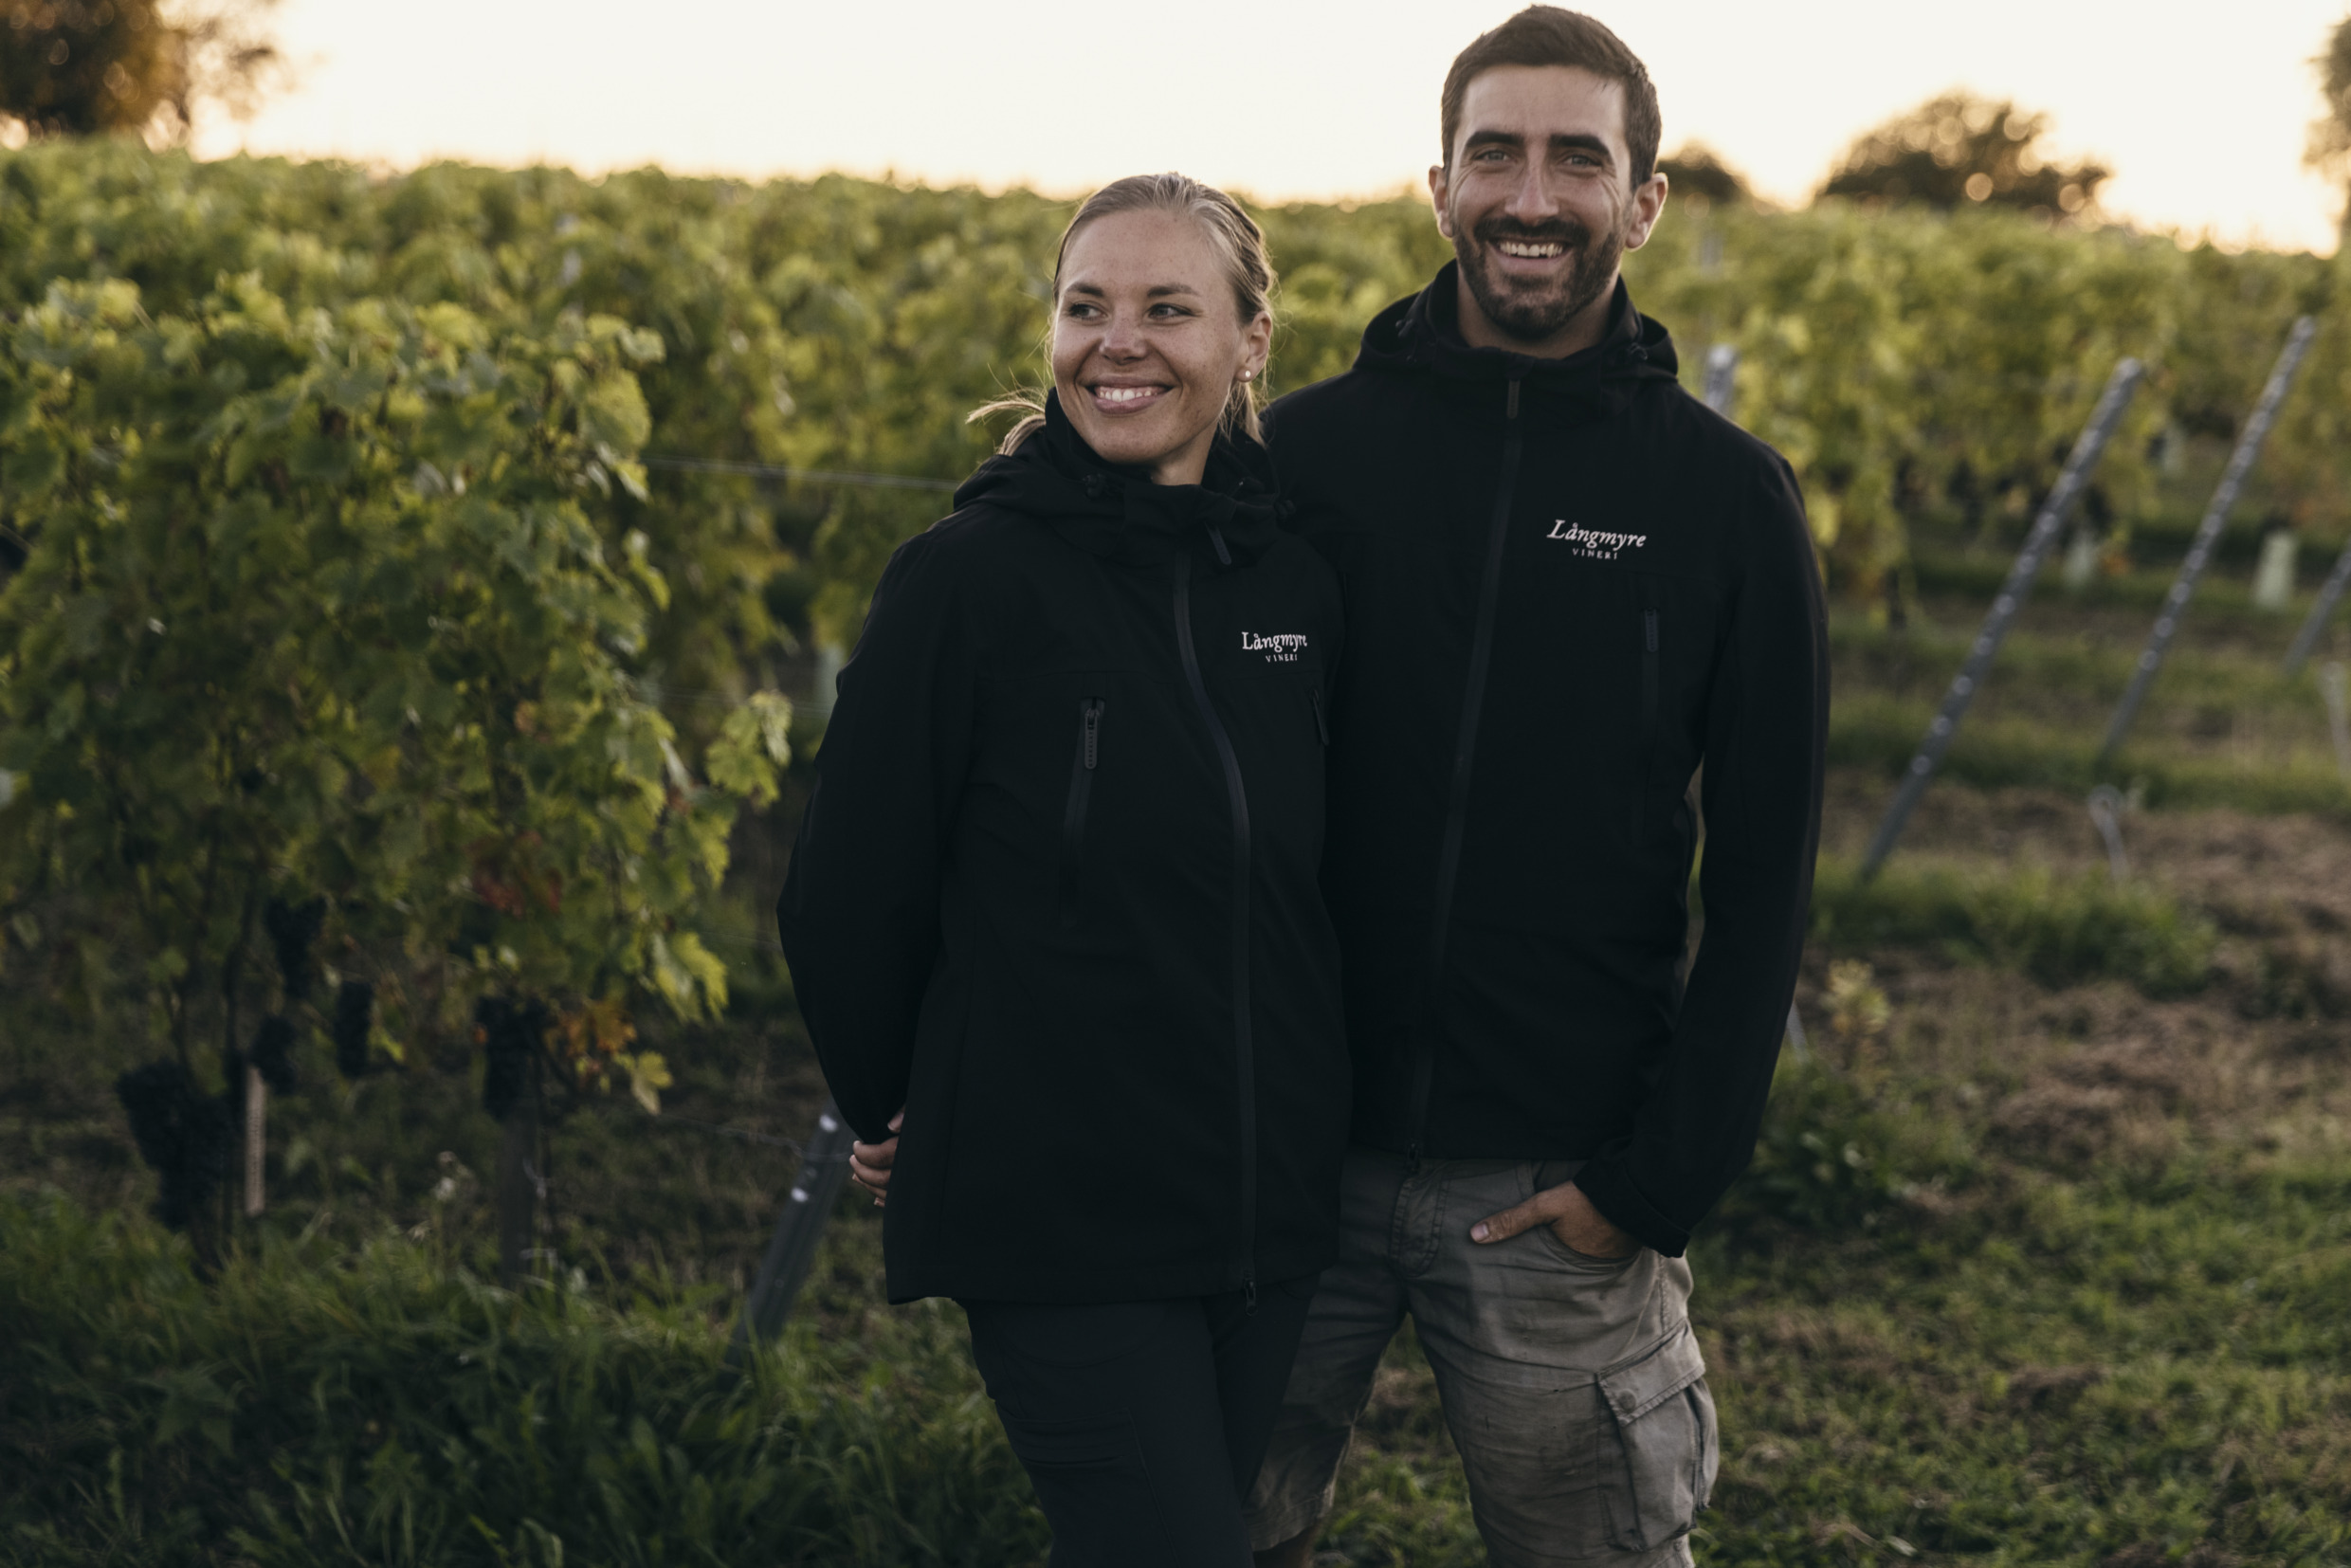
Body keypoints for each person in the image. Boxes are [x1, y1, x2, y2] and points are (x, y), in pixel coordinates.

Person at [1243, 10, 1828, 1567]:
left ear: (1641, 202)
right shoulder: (1298, 462)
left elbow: (1768, 874)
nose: (1531, 191)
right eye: (1496, 150)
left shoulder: (1724, 502)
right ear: (1439, 183)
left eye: (1580, 156)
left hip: (1556, 1192)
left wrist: (1652, 1181)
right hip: (1278, 1159)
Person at [775, 173, 1351, 1568]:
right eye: (1085, 308)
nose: (1118, 343)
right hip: (1060, 1214)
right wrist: (906, 1095)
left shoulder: (1290, 584)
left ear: (1251, 339)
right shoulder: (968, 580)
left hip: (1265, 1216)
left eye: (1167, 307)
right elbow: (844, 886)